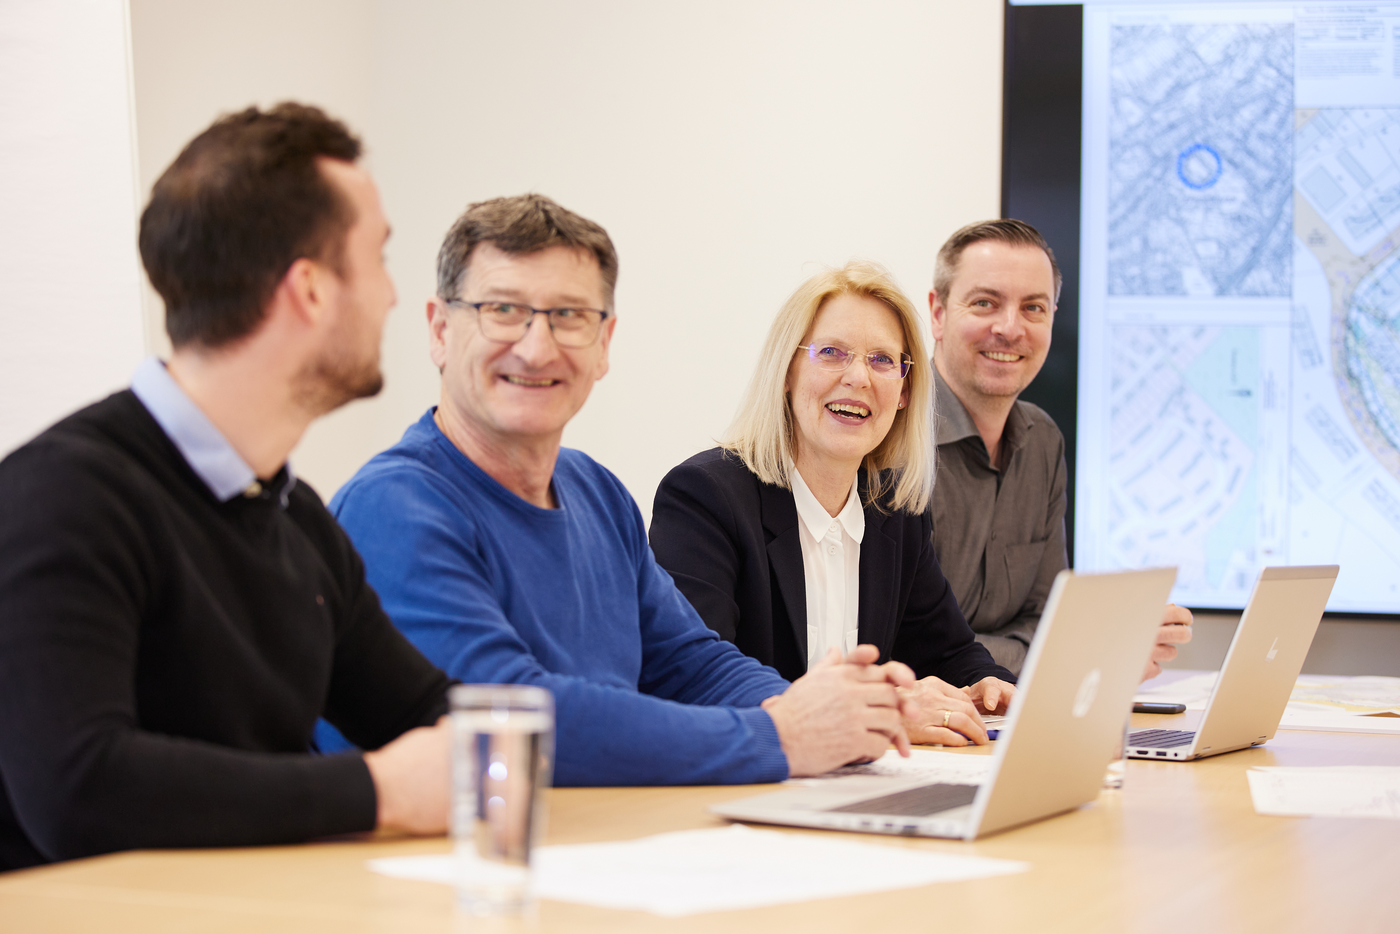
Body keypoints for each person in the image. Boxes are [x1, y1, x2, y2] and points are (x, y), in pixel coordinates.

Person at [325, 194, 914, 786]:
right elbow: (510, 716)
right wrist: (780, 735)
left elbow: (688, 664)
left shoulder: (595, 492)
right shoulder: (393, 507)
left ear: (604, 343)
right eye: (502, 309)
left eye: (569, 316)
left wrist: (822, 711)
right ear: (439, 331)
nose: (536, 346)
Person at [0, 104, 455, 871]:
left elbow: (422, 712)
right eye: (377, 258)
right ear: (309, 289)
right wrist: (375, 790)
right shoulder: (63, 498)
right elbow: (80, 789)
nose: (389, 296)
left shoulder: (292, 516)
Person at [649, 262, 1014, 747]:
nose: (859, 377)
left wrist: (989, 686)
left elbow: (948, 650)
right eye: (832, 353)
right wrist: (872, 716)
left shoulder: (894, 511)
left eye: (883, 360)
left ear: (904, 392)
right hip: (753, 785)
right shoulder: (704, 496)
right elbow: (694, 678)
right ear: (787, 371)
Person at [927, 219, 1191, 678]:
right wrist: (1085, 652)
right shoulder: (889, 440)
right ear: (938, 313)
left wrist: (1096, 645)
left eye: (1034, 308)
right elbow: (905, 643)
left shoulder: (1043, 441)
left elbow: (1043, 623)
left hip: (1001, 720)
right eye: (985, 303)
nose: (1010, 329)